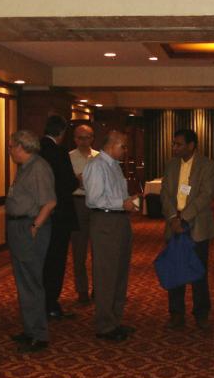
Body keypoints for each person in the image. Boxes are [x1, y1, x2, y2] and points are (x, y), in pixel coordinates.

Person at [83, 131, 139, 342]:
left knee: (119, 272)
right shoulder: (96, 166)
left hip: (119, 220)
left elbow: (115, 195)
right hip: (105, 221)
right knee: (106, 274)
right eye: (123, 146)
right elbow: (94, 199)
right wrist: (121, 203)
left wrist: (129, 201)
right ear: (111, 145)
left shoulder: (114, 165)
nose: (125, 151)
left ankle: (115, 319)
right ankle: (105, 325)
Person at [160, 128, 214, 331]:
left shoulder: (207, 165)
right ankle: (176, 314)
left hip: (197, 225)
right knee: (175, 271)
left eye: (179, 144)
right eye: (174, 144)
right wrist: (173, 218)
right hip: (174, 224)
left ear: (191, 145)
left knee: (198, 272)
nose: (174, 147)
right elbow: (165, 193)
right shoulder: (171, 164)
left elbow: (206, 195)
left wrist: (183, 218)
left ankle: (201, 313)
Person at [6, 130, 57, 353]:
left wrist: (35, 227)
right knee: (23, 281)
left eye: (11, 146)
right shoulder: (24, 167)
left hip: (30, 228)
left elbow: (50, 202)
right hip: (19, 227)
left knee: (31, 282)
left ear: (21, 146)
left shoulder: (38, 167)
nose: (9, 151)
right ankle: (30, 329)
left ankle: (39, 334)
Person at [39, 115, 78, 320]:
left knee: (42, 260)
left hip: (39, 214)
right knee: (56, 260)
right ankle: (51, 303)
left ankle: (40, 302)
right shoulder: (59, 152)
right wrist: (77, 180)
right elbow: (67, 183)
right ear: (62, 132)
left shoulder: (36, 150)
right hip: (59, 214)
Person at [69, 123, 99, 305]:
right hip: (77, 203)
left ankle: (98, 288)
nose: (83, 141)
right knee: (79, 251)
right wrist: (77, 181)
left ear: (92, 138)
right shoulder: (69, 157)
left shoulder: (99, 157)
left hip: (96, 204)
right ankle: (81, 290)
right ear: (75, 139)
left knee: (98, 250)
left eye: (87, 138)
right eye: (80, 138)